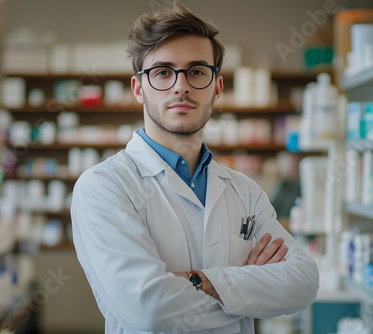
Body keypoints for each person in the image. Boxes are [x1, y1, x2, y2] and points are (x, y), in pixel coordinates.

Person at [71, 2, 319, 333]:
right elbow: (149, 309)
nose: (180, 86)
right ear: (138, 89)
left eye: (197, 71)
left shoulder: (244, 190)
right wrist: (249, 286)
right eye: (162, 72)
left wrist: (197, 280)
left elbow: (304, 282)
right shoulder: (104, 186)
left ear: (216, 87)